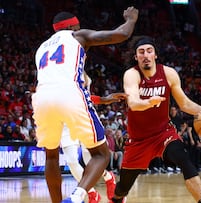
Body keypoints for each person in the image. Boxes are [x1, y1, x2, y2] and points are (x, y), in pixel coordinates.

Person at [32, 7, 138, 203]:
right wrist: (131, 19)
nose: (79, 27)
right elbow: (121, 34)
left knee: (51, 158)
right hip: (69, 94)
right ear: (72, 25)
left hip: (41, 98)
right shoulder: (77, 35)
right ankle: (77, 197)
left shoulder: (41, 48)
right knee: (101, 155)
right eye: (78, 24)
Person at [111, 36, 201, 203]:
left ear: (155, 55)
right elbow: (133, 103)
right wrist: (148, 102)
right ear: (136, 57)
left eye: (149, 51)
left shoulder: (168, 73)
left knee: (183, 158)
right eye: (141, 52)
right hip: (138, 140)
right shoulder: (132, 74)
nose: (145, 55)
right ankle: (116, 199)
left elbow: (185, 104)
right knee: (123, 187)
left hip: (163, 134)